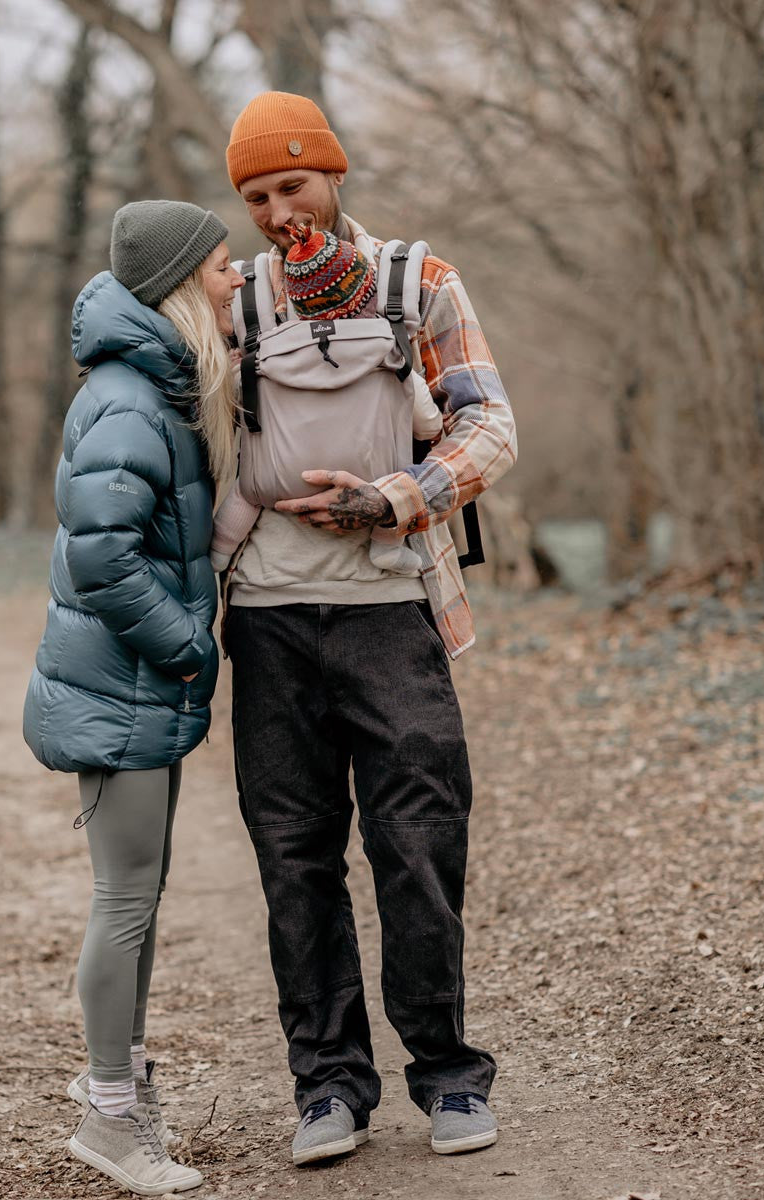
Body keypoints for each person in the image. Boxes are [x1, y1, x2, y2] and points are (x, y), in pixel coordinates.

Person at [214, 91, 519, 1166]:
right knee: (294, 856)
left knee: (419, 842)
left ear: (333, 176)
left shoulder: (419, 281)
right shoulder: (234, 300)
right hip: (266, 619)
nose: (274, 209)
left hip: (393, 611)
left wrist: (394, 497)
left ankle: (447, 1078)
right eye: (253, 194)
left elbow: (491, 424)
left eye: (291, 183)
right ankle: (328, 1089)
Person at [22, 199, 242, 1196]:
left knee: (139, 901)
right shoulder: (128, 395)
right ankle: (108, 1116)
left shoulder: (160, 382)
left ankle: (123, 1090)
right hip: (124, 686)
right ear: (178, 283)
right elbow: (103, 556)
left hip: (138, 686)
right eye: (222, 265)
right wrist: (189, 645)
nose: (235, 278)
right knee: (123, 904)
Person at [209, 221, 443, 574]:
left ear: (299, 305)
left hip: (278, 486)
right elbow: (428, 427)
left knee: (246, 492)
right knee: (393, 486)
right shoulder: (394, 358)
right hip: (369, 484)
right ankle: (386, 547)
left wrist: (230, 373)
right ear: (367, 297)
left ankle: (220, 553)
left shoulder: (266, 354)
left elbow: (236, 406)